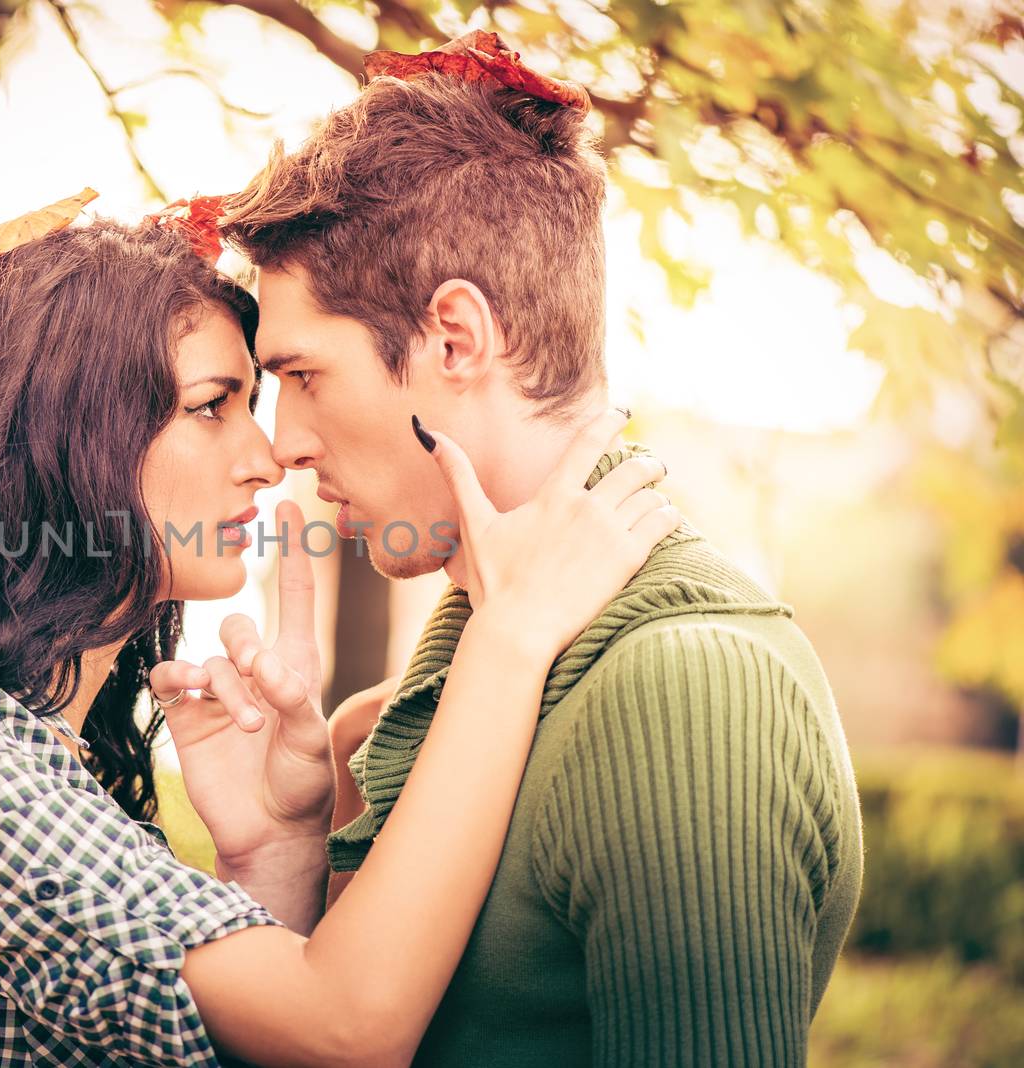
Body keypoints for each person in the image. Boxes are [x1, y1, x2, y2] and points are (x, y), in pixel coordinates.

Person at [0, 194, 677, 1066]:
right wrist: (508, 643)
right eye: (212, 406)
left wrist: (274, 849)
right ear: (57, 436)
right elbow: (347, 1029)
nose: (267, 458)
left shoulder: (34, 745)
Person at [218, 30, 866, 1066]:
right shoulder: (446, 686)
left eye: (302, 376)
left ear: (456, 340)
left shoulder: (682, 690)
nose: (285, 442)